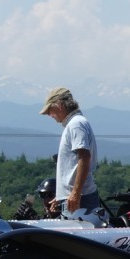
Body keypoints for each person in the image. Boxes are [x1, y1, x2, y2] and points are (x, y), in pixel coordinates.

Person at [39, 87, 106, 226]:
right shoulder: (75, 123)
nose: (50, 115)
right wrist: (61, 196)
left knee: (77, 237)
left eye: (50, 110)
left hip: (81, 199)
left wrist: (75, 193)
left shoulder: (76, 124)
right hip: (76, 197)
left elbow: (84, 157)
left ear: (59, 105)